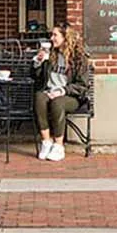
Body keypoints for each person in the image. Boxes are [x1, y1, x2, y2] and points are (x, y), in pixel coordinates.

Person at [32, 22, 89, 162]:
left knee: (57, 103)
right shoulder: (50, 54)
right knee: (39, 97)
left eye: (55, 35)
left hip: (70, 96)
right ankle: (46, 142)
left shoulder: (78, 58)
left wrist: (62, 90)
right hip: (49, 91)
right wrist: (38, 63)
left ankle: (58, 146)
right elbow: (36, 77)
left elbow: (82, 86)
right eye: (52, 35)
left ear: (65, 37)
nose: (51, 38)